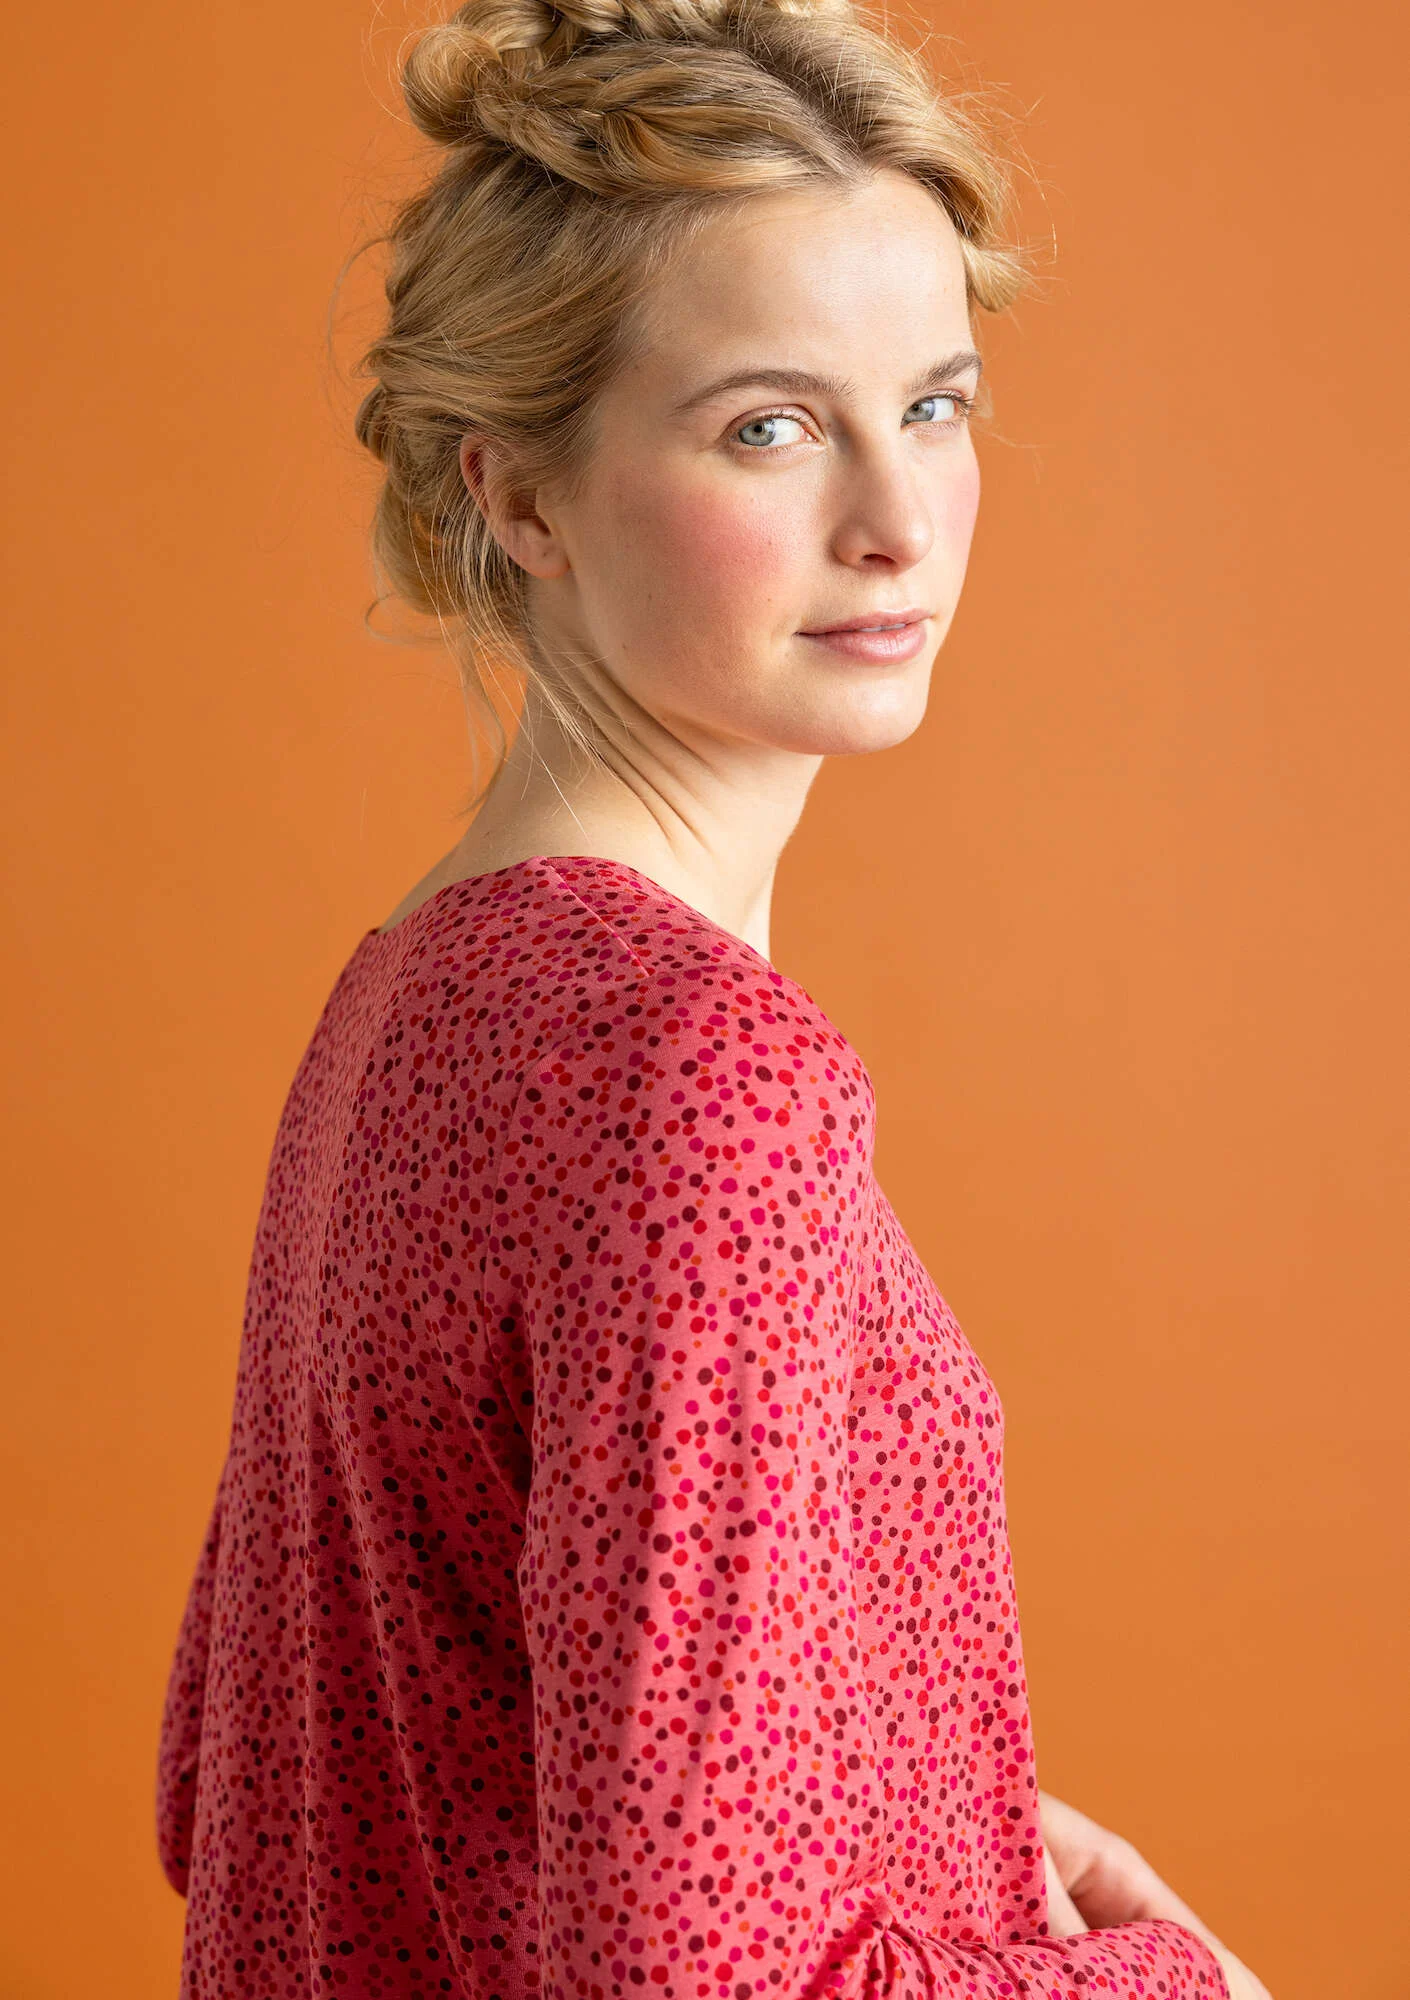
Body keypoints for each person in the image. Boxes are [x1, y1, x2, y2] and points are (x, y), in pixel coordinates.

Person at [155, 1, 1274, 1995]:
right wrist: (1160, 1984)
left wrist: (924, 1812)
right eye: (770, 424)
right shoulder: (697, 1071)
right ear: (521, 498)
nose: (897, 517)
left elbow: (226, 1784)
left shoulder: (407, 1005)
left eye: (934, 404)